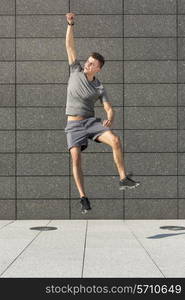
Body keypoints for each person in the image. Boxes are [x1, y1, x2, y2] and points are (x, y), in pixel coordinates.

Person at [65, 13, 140, 214]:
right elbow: (70, 47)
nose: (88, 64)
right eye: (88, 61)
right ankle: (83, 198)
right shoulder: (75, 71)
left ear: (98, 69)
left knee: (115, 140)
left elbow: (109, 108)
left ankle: (123, 178)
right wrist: (70, 24)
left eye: (92, 64)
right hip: (73, 124)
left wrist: (110, 118)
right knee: (76, 158)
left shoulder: (99, 86)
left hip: (91, 122)